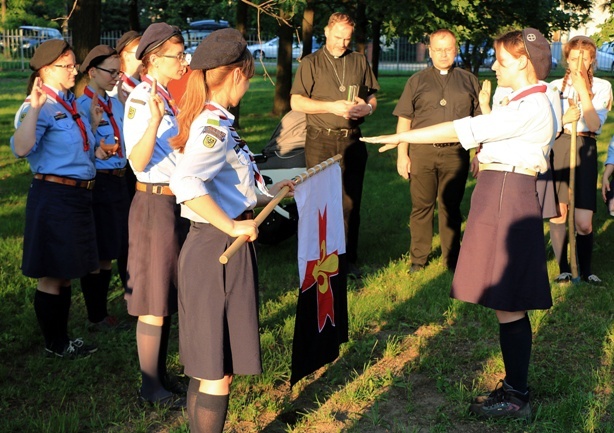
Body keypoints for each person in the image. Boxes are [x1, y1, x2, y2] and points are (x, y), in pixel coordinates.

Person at [362, 28, 556, 420]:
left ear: (522, 62)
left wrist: (403, 137)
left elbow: (459, 129)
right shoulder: (527, 98)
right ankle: (516, 387)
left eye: (500, 60)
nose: (494, 66)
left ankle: (517, 396)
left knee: (509, 299)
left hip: (507, 190)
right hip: (502, 187)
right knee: (507, 301)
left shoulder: (530, 106)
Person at [169, 28, 294, 432]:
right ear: (238, 73)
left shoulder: (220, 121)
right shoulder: (214, 127)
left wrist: (267, 194)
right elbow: (186, 185)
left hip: (219, 246)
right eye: (251, 75)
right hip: (216, 250)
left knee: (209, 367)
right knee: (216, 372)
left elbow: (228, 187)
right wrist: (230, 224)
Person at [10, 40, 111, 358]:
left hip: (76, 198)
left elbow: (76, 149)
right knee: (52, 275)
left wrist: (92, 128)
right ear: (45, 70)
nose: (74, 70)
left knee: (65, 273)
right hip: (54, 197)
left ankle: (63, 338)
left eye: (73, 64)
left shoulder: (68, 103)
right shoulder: (38, 106)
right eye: (66, 66)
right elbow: (21, 148)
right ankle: (54, 342)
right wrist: (36, 106)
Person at [123, 22, 189, 407]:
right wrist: (152, 121)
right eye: (177, 55)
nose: (184, 61)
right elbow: (137, 160)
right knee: (152, 297)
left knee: (164, 293)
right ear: (153, 59)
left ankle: (161, 375)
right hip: (153, 204)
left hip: (172, 202)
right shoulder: (141, 99)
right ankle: (150, 386)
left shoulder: (166, 95)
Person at [290, 12, 379, 278]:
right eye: (338, 37)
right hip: (320, 138)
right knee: (318, 202)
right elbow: (296, 102)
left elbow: (372, 97)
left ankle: (347, 259)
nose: (342, 43)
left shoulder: (358, 60)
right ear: (327, 32)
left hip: (351, 140)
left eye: (347, 38)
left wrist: (367, 109)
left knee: (350, 201)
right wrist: (331, 106)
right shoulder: (311, 62)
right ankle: (318, 259)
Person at [393, 29, 482, 273]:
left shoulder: (468, 80)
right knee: (422, 206)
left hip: (456, 153)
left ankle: (452, 258)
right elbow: (405, 119)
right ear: (430, 51)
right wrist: (403, 154)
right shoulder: (417, 81)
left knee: (450, 206)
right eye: (438, 49)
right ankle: (418, 260)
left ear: (456, 49)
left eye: (449, 49)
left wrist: (479, 154)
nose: (443, 54)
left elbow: (480, 121)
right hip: (422, 153)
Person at [548, 36, 612, 284]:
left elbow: (595, 125)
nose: (578, 63)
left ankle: (586, 270)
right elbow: (548, 127)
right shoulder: (554, 87)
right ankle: (564, 268)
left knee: (583, 222)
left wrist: (584, 91)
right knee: (558, 214)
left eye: (584, 58)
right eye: (574, 58)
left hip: (585, 146)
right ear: (567, 59)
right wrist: (564, 119)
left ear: (592, 59)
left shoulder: (603, 86)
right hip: (560, 145)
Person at [76, 45, 130, 330]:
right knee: (99, 252)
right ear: (92, 71)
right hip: (100, 183)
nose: (116, 77)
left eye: (119, 71)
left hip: (120, 180)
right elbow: (80, 145)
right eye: (111, 71)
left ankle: (102, 312)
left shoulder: (115, 102)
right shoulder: (82, 106)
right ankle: (96, 315)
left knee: (113, 247)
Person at [112, 30, 142, 289]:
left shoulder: (141, 85)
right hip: (124, 164)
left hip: (141, 162)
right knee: (127, 229)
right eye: (136, 52)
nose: (142, 56)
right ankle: (128, 283)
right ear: (123, 57)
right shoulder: (117, 89)